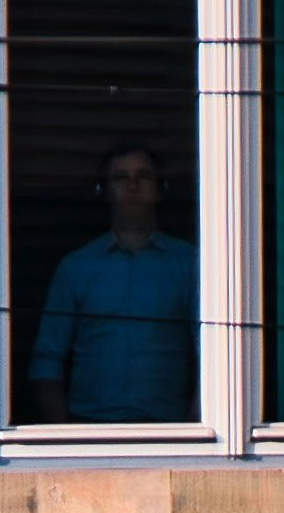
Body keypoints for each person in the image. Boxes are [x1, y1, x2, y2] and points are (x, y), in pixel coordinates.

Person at [27, 146, 200, 422]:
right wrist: (63, 437)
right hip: (89, 429)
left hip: (170, 431)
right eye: (121, 177)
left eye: (142, 176)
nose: (132, 185)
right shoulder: (76, 267)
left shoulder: (190, 264)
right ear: (104, 191)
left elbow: (213, 352)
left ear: (159, 189)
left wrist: (197, 431)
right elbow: (47, 362)